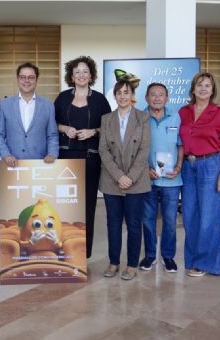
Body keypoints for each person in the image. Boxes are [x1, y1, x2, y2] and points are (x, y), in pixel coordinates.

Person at [54, 56, 111, 258]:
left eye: (85, 71)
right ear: (71, 75)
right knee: (66, 204)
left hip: (90, 159)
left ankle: (82, 253)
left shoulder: (100, 100)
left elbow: (109, 127)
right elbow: (51, 123)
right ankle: (64, 250)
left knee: (87, 206)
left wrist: (93, 131)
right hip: (65, 158)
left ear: (91, 75)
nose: (81, 75)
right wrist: (64, 128)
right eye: (77, 71)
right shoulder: (62, 98)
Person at [179, 72, 220, 277]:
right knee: (190, 215)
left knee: (209, 216)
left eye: (207, 85)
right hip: (188, 167)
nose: (203, 88)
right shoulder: (184, 112)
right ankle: (191, 260)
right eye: (199, 85)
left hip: (210, 165)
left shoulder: (218, 113)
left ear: (212, 90)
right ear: (193, 89)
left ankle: (205, 263)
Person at [98, 79, 150, 280]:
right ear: (115, 95)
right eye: (119, 92)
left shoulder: (142, 118)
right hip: (112, 181)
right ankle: (113, 262)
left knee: (134, 224)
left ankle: (132, 264)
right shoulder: (106, 119)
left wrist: (130, 177)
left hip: (136, 182)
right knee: (113, 224)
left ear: (132, 95)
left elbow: (144, 150)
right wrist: (119, 176)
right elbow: (103, 150)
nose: (122, 96)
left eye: (126, 92)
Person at [139, 83, 183, 273]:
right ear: (147, 98)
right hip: (147, 179)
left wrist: (179, 167)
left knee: (170, 222)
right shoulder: (140, 118)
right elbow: (135, 148)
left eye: (161, 94)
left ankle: (168, 256)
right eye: (153, 95)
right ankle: (150, 255)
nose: (157, 98)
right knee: (148, 219)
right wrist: (145, 167)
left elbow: (181, 145)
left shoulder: (176, 116)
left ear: (167, 98)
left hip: (172, 180)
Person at [0, 62, 58, 167]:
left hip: (41, 164)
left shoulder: (48, 105)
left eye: (31, 77)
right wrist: (6, 155)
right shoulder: (5, 104)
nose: (26, 81)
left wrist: (52, 153)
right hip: (12, 163)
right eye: (23, 77)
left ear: (36, 80)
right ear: (17, 79)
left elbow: (52, 135)